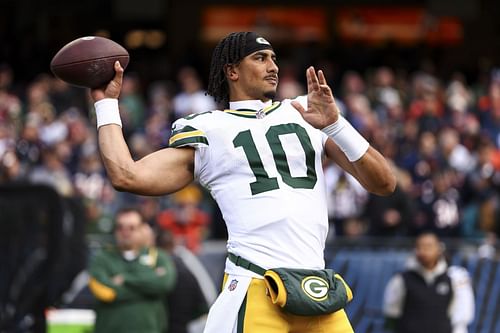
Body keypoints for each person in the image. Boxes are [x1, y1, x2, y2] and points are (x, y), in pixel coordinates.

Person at [90, 31, 396, 333]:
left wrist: (335, 124)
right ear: (232, 70)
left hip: (317, 286)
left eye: (274, 59)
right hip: (256, 284)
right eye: (260, 58)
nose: (273, 67)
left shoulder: (305, 112)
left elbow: (384, 183)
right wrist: (106, 104)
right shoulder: (210, 128)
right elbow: (126, 175)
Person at [88, 207, 176, 333]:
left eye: (131, 228)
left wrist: (124, 279)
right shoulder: (102, 258)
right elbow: (106, 292)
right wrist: (149, 287)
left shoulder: (157, 256)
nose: (125, 232)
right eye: (120, 227)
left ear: (142, 229)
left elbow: (164, 284)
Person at [383, 231, 475, 333]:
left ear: (439, 249)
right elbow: (391, 315)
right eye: (420, 247)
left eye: (429, 246)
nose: (424, 251)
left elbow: (458, 315)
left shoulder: (453, 279)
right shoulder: (401, 280)